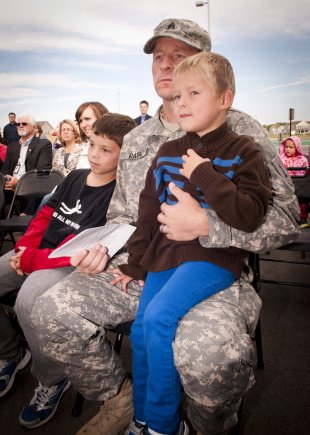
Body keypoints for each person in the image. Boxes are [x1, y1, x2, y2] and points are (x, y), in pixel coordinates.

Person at [24, 19, 299, 435]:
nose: (166, 64)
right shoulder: (137, 139)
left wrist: (208, 224)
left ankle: (207, 426)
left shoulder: (241, 130)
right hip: (143, 260)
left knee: (212, 358)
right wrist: (103, 249)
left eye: (180, 55)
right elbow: (120, 214)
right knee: (49, 311)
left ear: (204, 67)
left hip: (211, 267)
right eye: (158, 56)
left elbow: (285, 219)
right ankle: (124, 400)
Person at [117, 51, 271, 435]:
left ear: (225, 99)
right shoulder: (167, 151)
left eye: (194, 93)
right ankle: (141, 417)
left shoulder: (243, 150)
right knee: (140, 329)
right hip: (165, 255)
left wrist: (203, 173)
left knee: (158, 318)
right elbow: (149, 209)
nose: (182, 102)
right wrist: (136, 263)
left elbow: (250, 213)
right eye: (179, 95)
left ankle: (164, 425)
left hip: (214, 256)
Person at [0, 114, 136, 427]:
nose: (95, 155)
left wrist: (32, 261)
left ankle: (52, 377)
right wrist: (24, 250)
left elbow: (77, 251)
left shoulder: (117, 196)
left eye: (106, 150)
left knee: (28, 301)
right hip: (35, 253)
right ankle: (11, 352)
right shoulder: (76, 177)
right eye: (93, 146)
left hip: (63, 264)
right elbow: (44, 215)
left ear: (123, 156)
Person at [0, 114, 53, 214]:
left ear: (34, 128)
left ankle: (25, 218)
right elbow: (5, 169)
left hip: (31, 187)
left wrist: (19, 182)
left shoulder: (43, 144)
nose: (20, 125)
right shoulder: (12, 146)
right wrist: (4, 181)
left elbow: (42, 172)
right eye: (18, 124)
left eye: (24, 123)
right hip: (9, 186)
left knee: (35, 191)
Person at [279, 136, 309, 225]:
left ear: (297, 147)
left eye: (291, 147)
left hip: (300, 184)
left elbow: (306, 172)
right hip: (286, 184)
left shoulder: (302, 159)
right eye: (286, 147)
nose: (288, 149)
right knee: (287, 202)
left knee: (302, 202)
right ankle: (289, 218)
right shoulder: (281, 159)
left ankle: (302, 219)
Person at [75, 101, 109, 169]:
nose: (83, 125)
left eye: (87, 119)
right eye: (80, 121)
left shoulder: (118, 147)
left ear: (102, 118)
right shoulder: (86, 147)